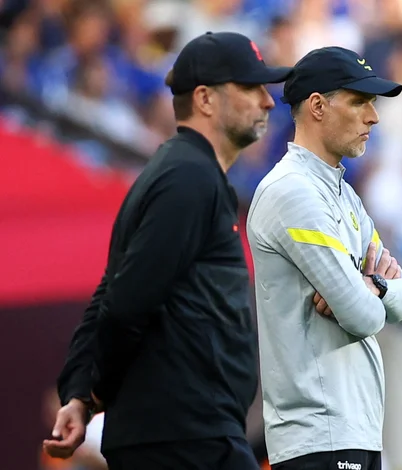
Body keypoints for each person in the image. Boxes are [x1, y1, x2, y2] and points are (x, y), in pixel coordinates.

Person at [42, 31, 292, 469]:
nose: (268, 101)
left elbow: (109, 292)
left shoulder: (182, 171)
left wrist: (81, 392)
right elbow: (124, 304)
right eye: (250, 88)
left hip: (186, 434)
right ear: (205, 99)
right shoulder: (188, 178)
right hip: (184, 437)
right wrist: (94, 392)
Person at [246, 46, 402, 470]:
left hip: (351, 428)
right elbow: (363, 318)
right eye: (359, 101)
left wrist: (373, 285)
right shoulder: (291, 191)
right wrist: (368, 293)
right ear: (318, 106)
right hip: (318, 435)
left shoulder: (342, 193)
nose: (373, 117)